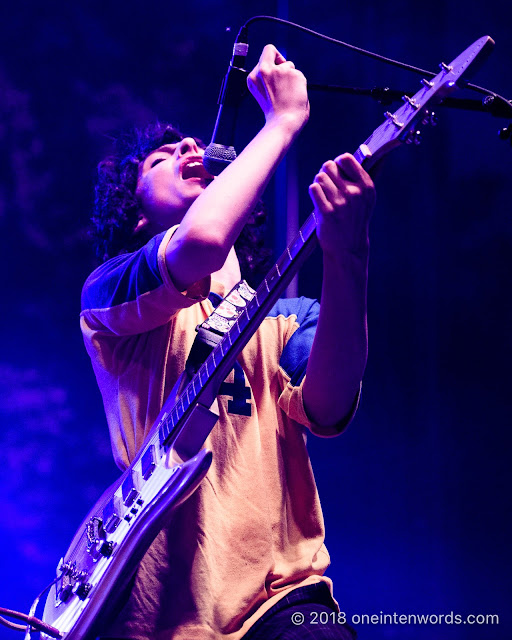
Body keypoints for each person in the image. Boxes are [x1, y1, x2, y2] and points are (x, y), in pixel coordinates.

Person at [81, 44, 375, 640]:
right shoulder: (108, 295)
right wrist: (283, 121)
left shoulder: (287, 317)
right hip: (162, 619)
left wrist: (350, 254)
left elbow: (329, 407)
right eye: (163, 158)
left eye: (191, 145)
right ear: (136, 217)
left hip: (286, 602)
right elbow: (202, 242)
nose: (191, 147)